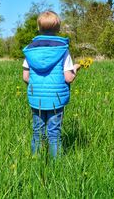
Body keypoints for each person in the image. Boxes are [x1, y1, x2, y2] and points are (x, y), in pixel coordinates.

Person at [22, 11, 81, 157]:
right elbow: (68, 78)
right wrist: (75, 68)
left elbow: (25, 77)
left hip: (37, 98)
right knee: (54, 134)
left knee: (37, 131)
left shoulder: (31, 50)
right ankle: (56, 167)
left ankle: (35, 160)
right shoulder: (62, 50)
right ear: (58, 29)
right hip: (56, 98)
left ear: (38, 28)